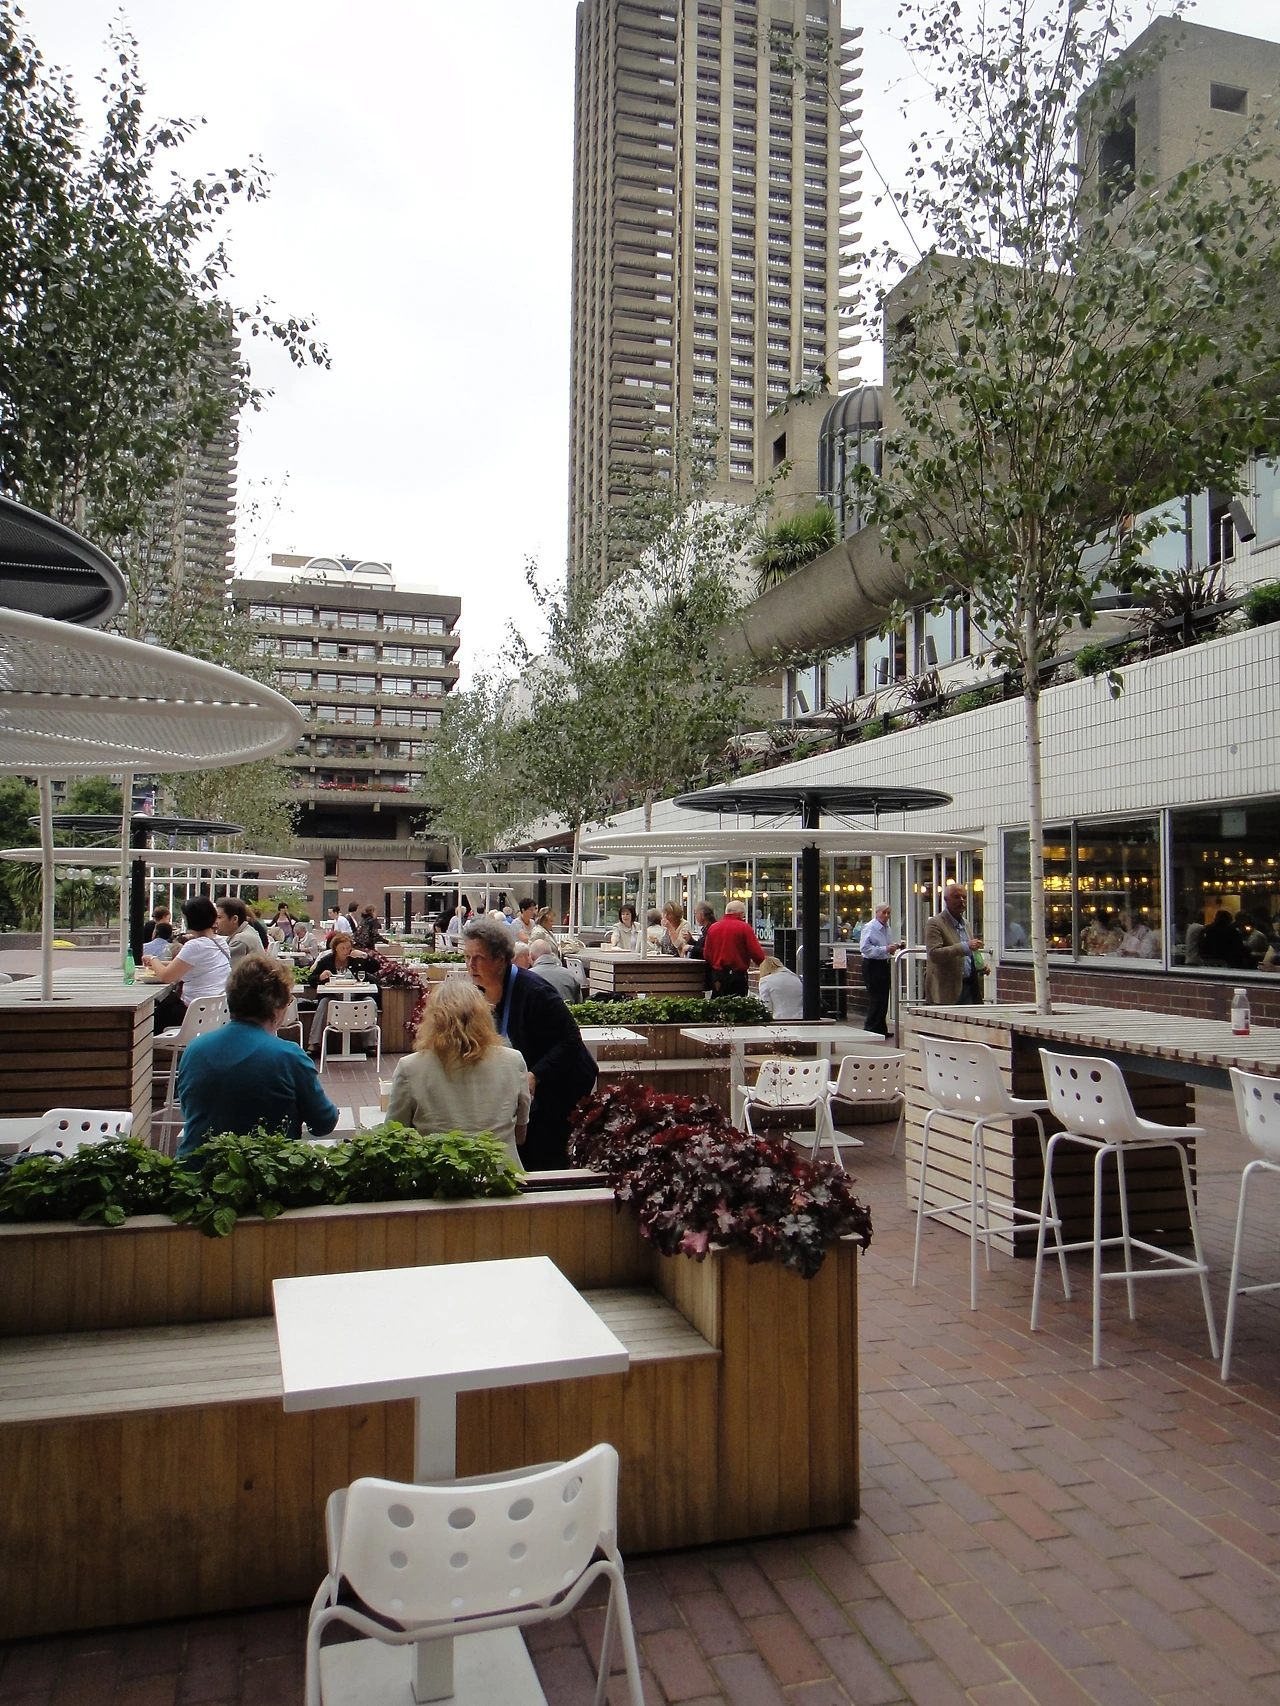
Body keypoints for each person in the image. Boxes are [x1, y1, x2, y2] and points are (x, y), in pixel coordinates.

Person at [462, 917, 597, 1171]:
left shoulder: (535, 992)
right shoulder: (478, 992)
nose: (471, 965)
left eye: (478, 957)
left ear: (500, 960)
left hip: (559, 1085)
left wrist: (536, 1074)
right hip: (520, 1087)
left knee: (542, 1156)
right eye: (467, 957)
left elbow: (570, 1038)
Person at [175, 955, 338, 1159]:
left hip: (194, 1171)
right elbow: (323, 1122)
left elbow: (189, 1109)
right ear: (277, 1008)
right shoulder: (288, 1056)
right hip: (265, 1170)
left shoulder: (195, 1049)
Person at [387, 979, 531, 1168]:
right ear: (485, 1016)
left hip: (440, 1176)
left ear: (433, 1019)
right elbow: (520, 1135)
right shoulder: (513, 1061)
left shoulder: (410, 1067)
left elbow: (393, 1136)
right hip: (502, 1175)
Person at [147, 895, 231, 1031]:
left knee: (147, 1021)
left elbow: (166, 977)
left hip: (194, 1013)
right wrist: (159, 964)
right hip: (216, 1010)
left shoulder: (194, 946)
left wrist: (152, 959)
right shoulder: (221, 942)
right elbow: (190, 965)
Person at [305, 931, 378, 1055]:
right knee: (323, 1004)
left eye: (348, 948)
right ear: (335, 948)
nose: (345, 951)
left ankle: (370, 1044)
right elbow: (311, 979)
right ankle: (314, 1044)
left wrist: (365, 956)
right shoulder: (327, 960)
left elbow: (376, 967)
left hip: (356, 995)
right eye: (342, 948)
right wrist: (320, 977)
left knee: (370, 1003)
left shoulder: (356, 959)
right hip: (334, 996)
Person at [924, 882, 987, 1005]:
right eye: (957, 897)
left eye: (964, 897)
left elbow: (968, 954)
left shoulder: (966, 924)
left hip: (968, 987)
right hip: (946, 990)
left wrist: (980, 966)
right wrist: (965, 946)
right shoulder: (935, 923)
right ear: (946, 899)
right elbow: (934, 954)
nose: (961, 901)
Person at [702, 900, 765, 997]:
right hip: (737, 975)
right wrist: (766, 965)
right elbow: (756, 953)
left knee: (718, 1002)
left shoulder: (713, 928)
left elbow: (707, 954)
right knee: (738, 1003)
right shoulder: (744, 927)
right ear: (741, 913)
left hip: (718, 975)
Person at [859, 903, 903, 1036]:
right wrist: (885, 949)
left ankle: (880, 1028)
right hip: (872, 964)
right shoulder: (870, 928)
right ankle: (871, 1027)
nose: (886, 916)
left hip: (883, 963)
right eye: (883, 913)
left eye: (888, 913)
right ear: (877, 913)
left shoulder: (887, 928)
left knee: (883, 997)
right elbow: (865, 948)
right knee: (876, 997)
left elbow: (884, 945)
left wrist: (894, 946)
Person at [527, 937, 583, 1004]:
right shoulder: (570, 975)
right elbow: (579, 1005)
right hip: (566, 1009)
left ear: (532, 956)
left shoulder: (527, 977)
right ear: (551, 954)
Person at [216, 897, 264, 967]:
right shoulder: (249, 930)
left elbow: (231, 971)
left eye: (219, 917)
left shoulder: (240, 940)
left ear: (234, 919)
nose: (215, 921)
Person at [757, 954, 803, 1019]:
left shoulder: (765, 981)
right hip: (800, 1017)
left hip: (780, 1019)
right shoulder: (795, 978)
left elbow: (766, 1006)